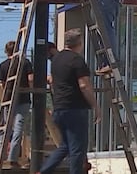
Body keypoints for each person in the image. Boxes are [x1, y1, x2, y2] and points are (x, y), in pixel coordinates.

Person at [38, 29, 101, 174]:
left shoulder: (56, 61)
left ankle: (44, 171)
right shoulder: (77, 60)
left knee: (65, 146)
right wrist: (95, 106)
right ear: (80, 43)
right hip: (75, 108)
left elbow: (53, 84)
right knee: (77, 150)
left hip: (59, 108)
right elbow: (84, 85)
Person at [0, 40, 34, 168]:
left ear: (6, 51)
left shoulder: (2, 65)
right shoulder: (25, 62)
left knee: (5, 128)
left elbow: (2, 84)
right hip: (23, 99)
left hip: (8, 100)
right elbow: (30, 79)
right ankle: (13, 159)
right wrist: (32, 91)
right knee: (18, 128)